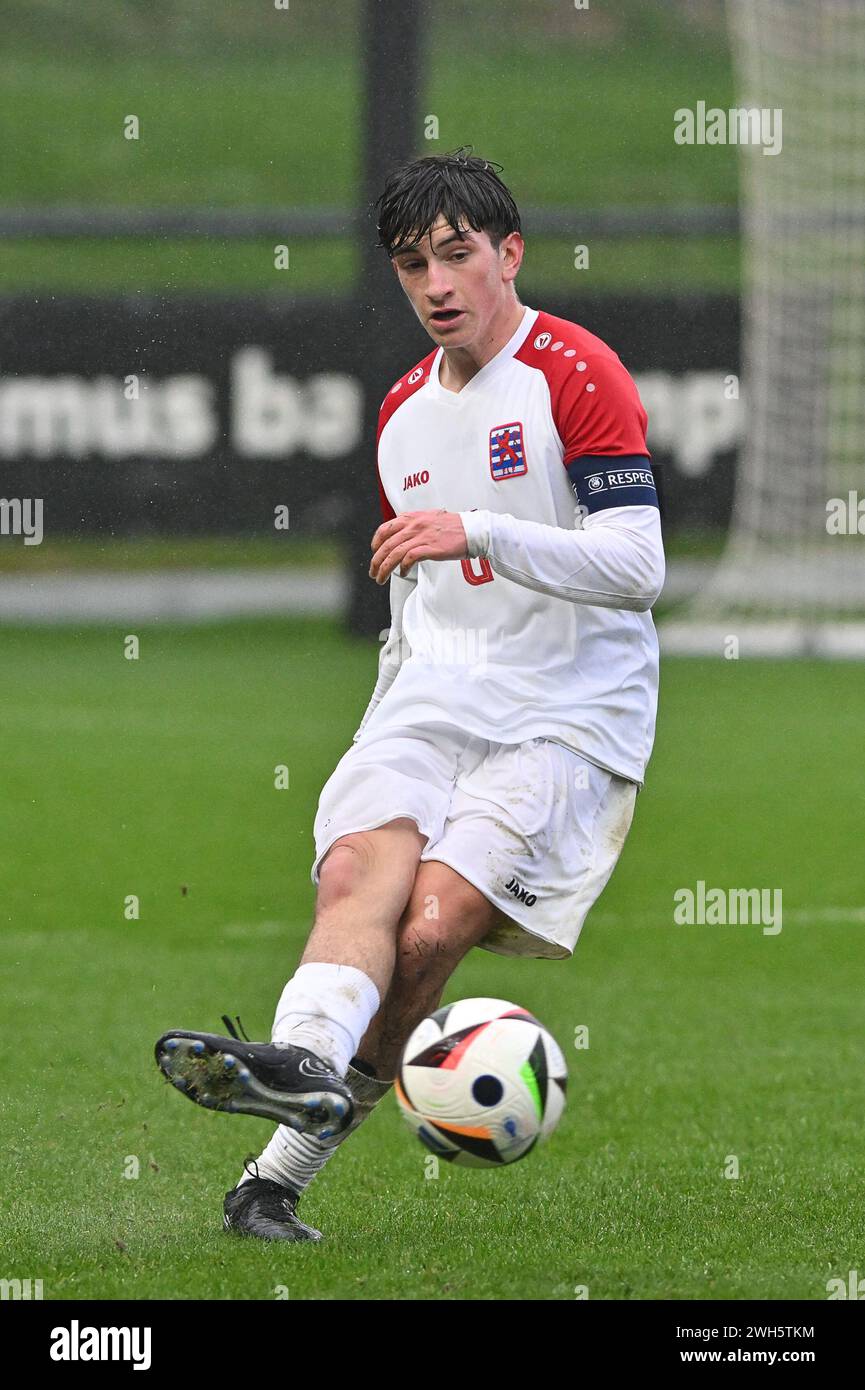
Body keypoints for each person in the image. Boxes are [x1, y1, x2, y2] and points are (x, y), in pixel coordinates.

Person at [154, 148, 665, 1242]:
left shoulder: (575, 372)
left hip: (564, 712)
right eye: (409, 262)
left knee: (429, 932)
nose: (435, 283)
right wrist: (390, 713)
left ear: (507, 254)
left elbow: (638, 565)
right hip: (430, 694)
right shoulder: (398, 411)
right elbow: (420, 597)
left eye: (455, 254)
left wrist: (476, 529)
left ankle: (278, 1169)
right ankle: (294, 1070)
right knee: (356, 868)